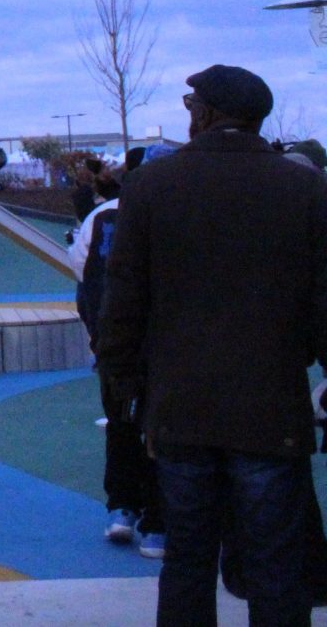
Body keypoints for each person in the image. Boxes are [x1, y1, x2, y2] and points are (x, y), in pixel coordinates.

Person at [98, 65, 327, 625]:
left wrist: (123, 387)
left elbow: (123, 300)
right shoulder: (305, 188)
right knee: (276, 564)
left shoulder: (151, 185)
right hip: (271, 406)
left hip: (179, 406)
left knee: (188, 560)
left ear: (205, 113)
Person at [71, 156, 167, 558]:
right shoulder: (185, 213)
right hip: (165, 345)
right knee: (163, 431)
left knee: (122, 423)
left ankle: (124, 508)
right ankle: (158, 519)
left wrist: (100, 336)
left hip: (118, 341)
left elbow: (81, 270)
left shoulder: (104, 216)